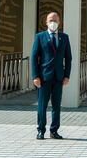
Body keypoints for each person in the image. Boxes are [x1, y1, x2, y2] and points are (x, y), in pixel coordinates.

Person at [31, 11, 72, 140]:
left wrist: (67, 76)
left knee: (56, 105)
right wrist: (35, 76)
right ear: (46, 22)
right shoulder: (40, 37)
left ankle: (54, 130)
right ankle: (41, 130)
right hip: (43, 77)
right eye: (50, 20)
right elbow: (33, 57)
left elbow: (68, 58)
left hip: (58, 77)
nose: (53, 23)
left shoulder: (64, 38)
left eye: (55, 20)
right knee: (42, 105)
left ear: (59, 22)